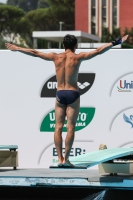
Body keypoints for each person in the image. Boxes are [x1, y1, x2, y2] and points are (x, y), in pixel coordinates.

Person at [5, 34, 128, 167]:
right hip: (73, 93)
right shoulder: (77, 57)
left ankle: (59, 159)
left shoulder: (55, 57)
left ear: (63, 45)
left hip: (60, 94)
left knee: (57, 128)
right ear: (75, 46)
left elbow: (35, 53)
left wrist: (17, 48)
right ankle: (67, 160)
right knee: (71, 128)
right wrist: (115, 42)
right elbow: (98, 51)